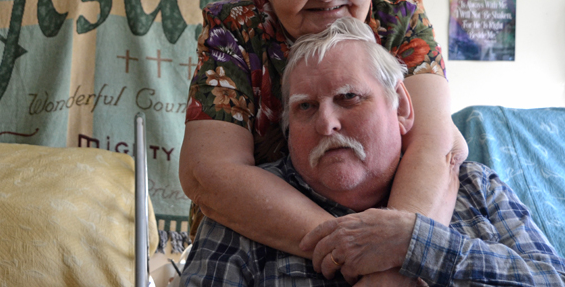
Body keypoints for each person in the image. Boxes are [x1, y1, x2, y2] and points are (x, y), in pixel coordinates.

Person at [179, 0, 468, 275]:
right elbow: (208, 172)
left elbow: (437, 144)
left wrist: (393, 259)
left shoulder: (398, 15)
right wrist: (355, 251)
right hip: (264, 238)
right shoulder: (236, 27)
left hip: (393, 233)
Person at [180, 17, 565, 286]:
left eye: (349, 98)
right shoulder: (246, 214)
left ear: (401, 107)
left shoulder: (475, 188)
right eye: (305, 107)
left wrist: (417, 243)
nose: (326, 123)